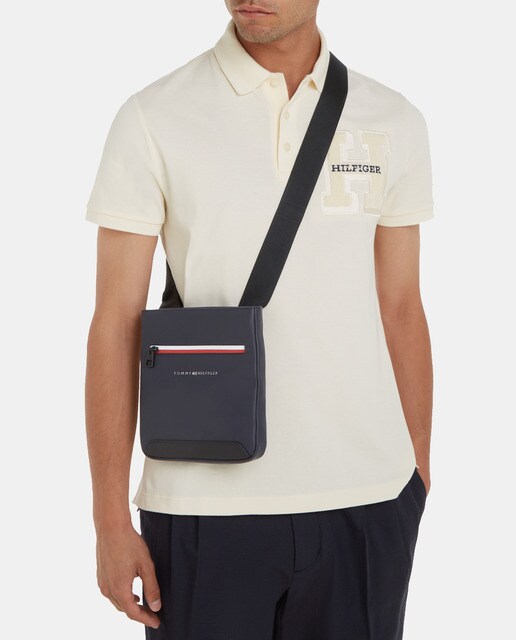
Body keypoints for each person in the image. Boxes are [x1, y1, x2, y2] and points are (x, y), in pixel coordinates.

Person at [84, 2, 434, 638]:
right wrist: (109, 516)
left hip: (368, 500)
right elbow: (115, 321)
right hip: (201, 506)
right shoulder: (153, 116)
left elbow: (402, 306)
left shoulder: (392, 118)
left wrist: (416, 475)